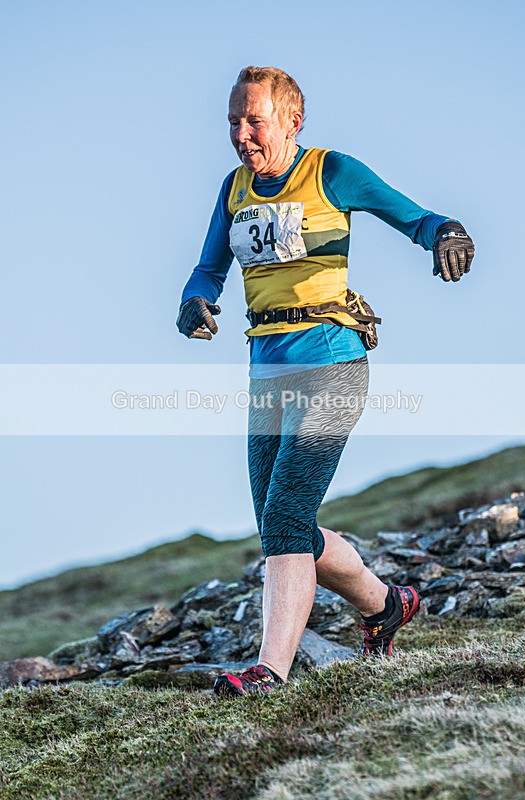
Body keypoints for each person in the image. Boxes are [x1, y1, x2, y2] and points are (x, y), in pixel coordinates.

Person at [176, 66, 475, 698]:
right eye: (233, 121)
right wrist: (193, 301)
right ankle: (386, 605)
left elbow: (416, 218)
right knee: (284, 527)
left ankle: (269, 671)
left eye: (254, 121)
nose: (241, 134)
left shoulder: (330, 171)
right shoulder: (234, 188)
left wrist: (446, 232)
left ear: (292, 121)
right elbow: (208, 268)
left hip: (333, 363)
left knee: (285, 516)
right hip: (267, 374)